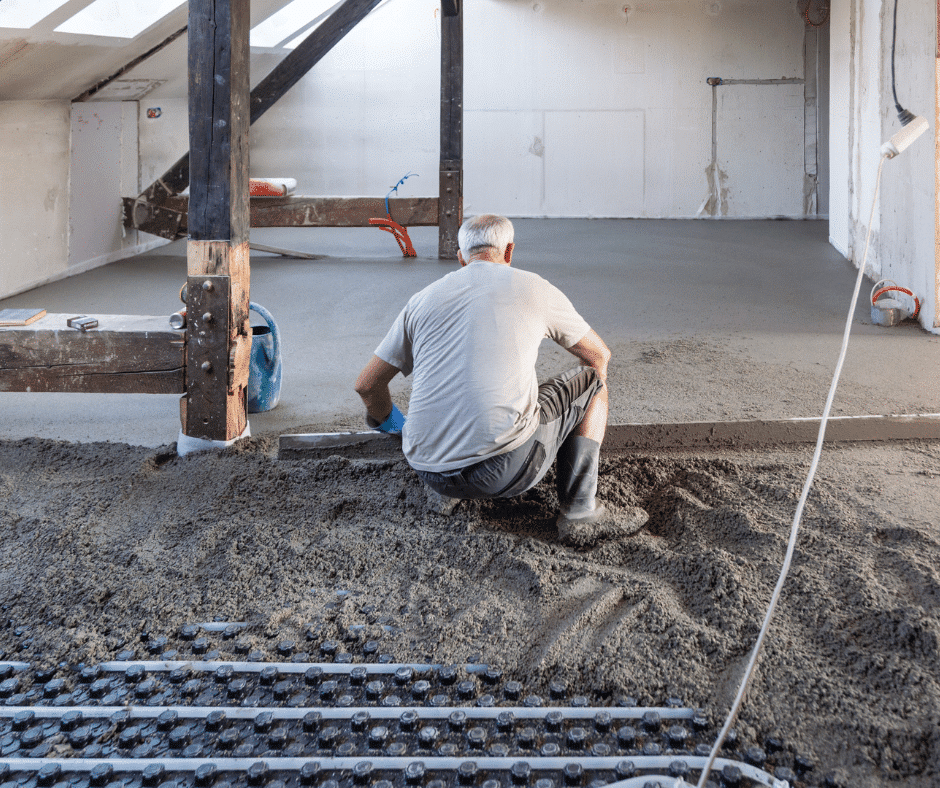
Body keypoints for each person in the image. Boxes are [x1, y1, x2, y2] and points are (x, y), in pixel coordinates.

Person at [354, 214, 647, 546]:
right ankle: (581, 511)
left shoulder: (421, 300)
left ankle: (451, 491)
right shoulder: (534, 287)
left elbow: (367, 385)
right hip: (504, 471)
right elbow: (598, 355)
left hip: (428, 471)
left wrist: (394, 425)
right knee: (593, 380)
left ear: (460, 257)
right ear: (509, 252)